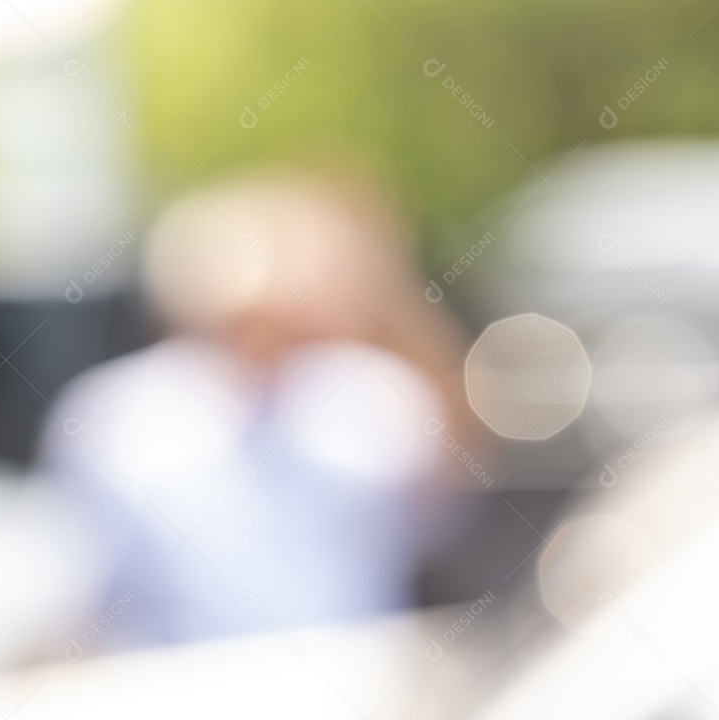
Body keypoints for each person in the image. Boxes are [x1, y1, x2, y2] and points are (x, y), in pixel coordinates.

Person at [37, 167, 474, 650]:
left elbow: (453, 484)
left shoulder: (366, 391)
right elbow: (83, 596)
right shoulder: (118, 413)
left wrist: (384, 290)